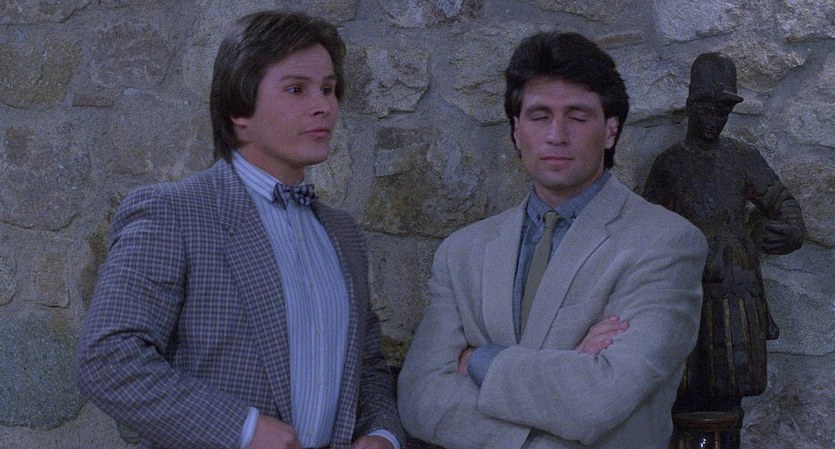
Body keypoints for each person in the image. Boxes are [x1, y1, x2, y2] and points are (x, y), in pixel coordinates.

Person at [77, 10, 404, 449]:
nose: (324, 106)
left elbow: (367, 366)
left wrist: (381, 433)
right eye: (296, 89)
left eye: (328, 89)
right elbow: (107, 358)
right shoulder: (175, 213)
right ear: (238, 111)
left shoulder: (343, 234)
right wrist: (242, 429)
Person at [397, 32, 709, 449]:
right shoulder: (461, 252)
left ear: (611, 130)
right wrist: (559, 385)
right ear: (516, 131)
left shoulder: (666, 244)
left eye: (577, 117)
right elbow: (421, 399)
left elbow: (598, 400)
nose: (556, 135)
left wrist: (479, 359)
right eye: (539, 116)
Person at [643, 53, 805, 449]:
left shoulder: (742, 159)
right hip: (684, 292)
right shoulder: (669, 165)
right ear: (690, 106)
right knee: (683, 390)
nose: (715, 119)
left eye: (723, 110)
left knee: (730, 391)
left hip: (734, 292)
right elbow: (644, 227)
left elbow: (783, 204)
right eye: (706, 108)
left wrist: (788, 231)